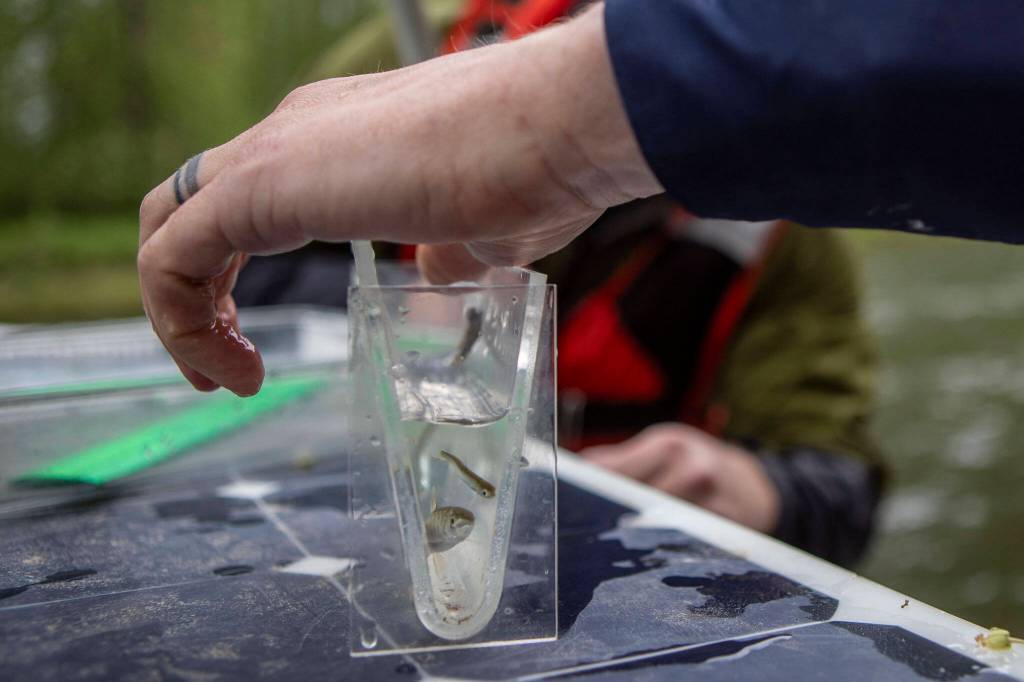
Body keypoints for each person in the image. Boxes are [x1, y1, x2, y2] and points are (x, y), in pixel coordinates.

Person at [227, 1, 884, 565]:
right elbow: (243, 276)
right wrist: (394, 310)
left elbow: (840, 481)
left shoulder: (781, 205)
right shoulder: (402, 58)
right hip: (372, 514)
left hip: (620, 566)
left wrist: (755, 489)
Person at [137, 1, 1024, 401]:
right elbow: (265, 286)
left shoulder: (786, 231)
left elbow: (831, 460)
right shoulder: (390, 54)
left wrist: (769, 492)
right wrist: (402, 332)